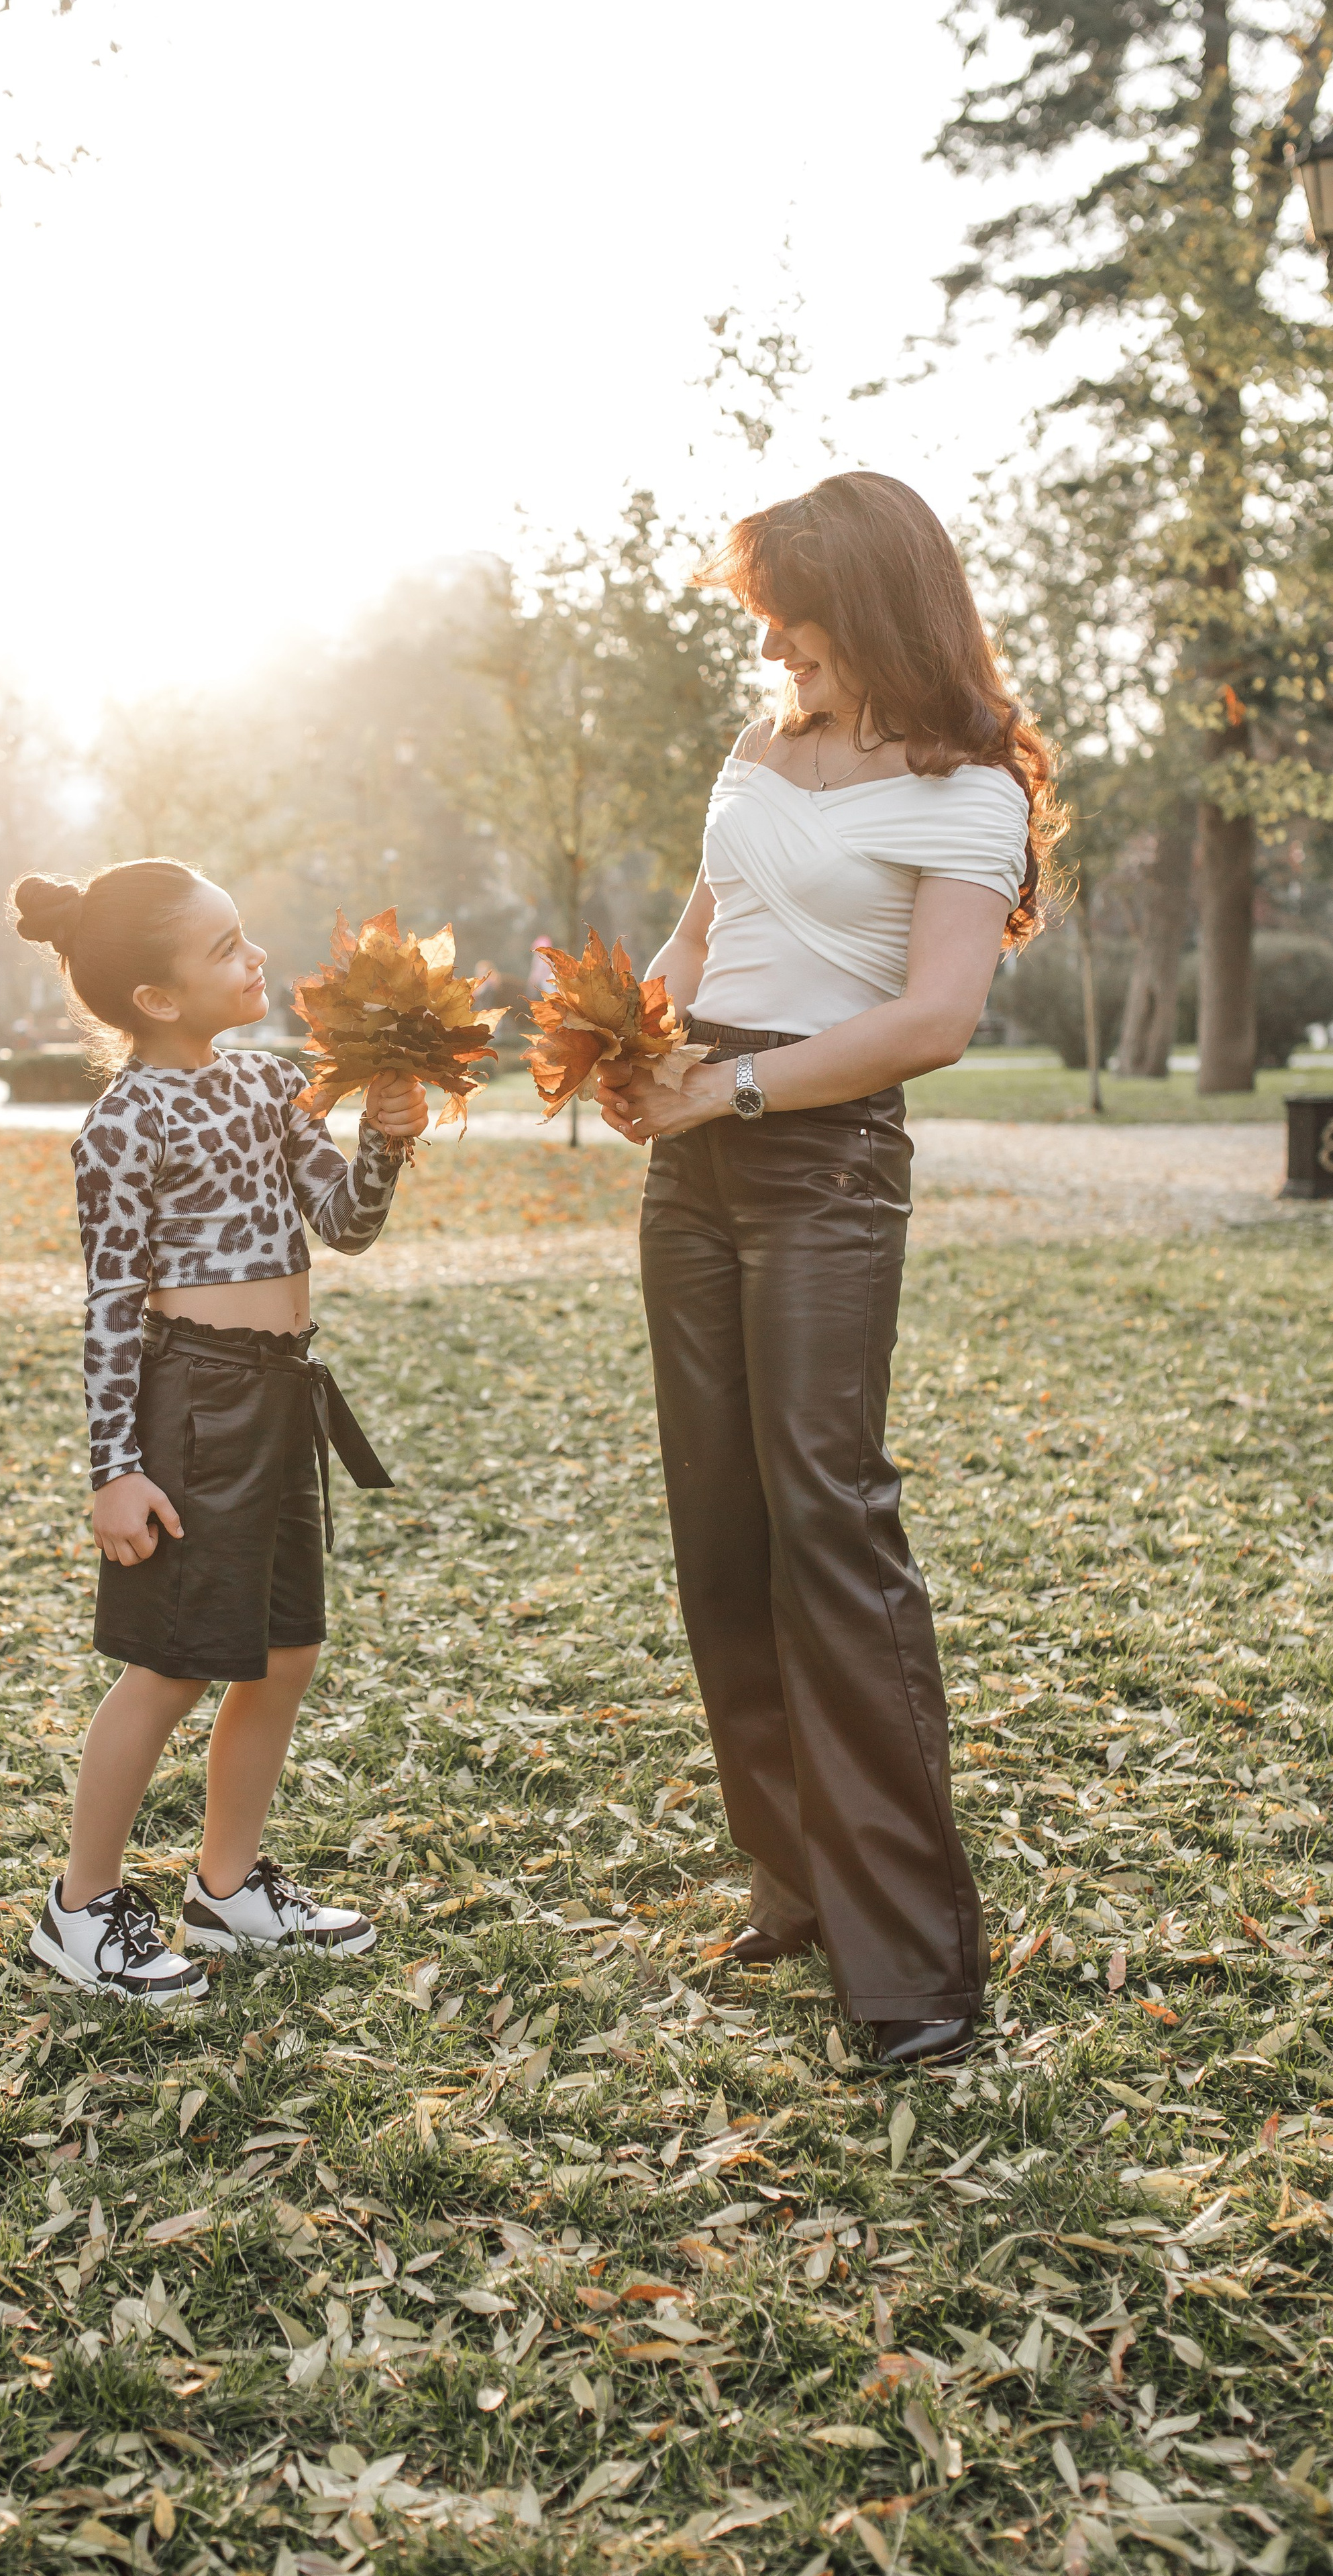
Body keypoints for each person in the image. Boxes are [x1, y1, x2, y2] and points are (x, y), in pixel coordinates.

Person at [597, 472, 1064, 2068]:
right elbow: (699, 927)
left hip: (820, 1167)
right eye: (767, 620)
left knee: (828, 1527)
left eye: (798, 619)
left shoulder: (969, 785)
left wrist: (728, 1086)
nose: (776, 644)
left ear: (874, 606)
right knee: (719, 1533)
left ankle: (912, 1969)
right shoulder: (757, 745)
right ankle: (792, 1887)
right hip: (696, 1158)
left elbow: (933, 1020)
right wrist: (631, 1034)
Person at [12, 859, 427, 2005]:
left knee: (285, 1651)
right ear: (156, 998)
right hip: (190, 1401)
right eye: (226, 949)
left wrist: (385, 1138)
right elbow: (107, 1302)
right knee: (173, 1665)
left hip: (281, 1393)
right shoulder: (124, 1121)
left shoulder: (268, 1084)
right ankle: (81, 1907)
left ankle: (226, 1886)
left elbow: (344, 1225)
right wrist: (114, 1470)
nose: (255, 959)